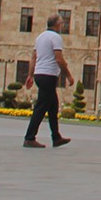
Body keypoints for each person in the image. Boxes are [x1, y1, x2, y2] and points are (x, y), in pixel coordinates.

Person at [22, 15, 73, 148]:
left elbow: (33, 57)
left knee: (53, 107)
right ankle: (29, 137)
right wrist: (68, 75)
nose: (63, 25)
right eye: (62, 23)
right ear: (57, 24)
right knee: (41, 107)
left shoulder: (40, 37)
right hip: (48, 75)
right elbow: (59, 59)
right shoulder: (55, 37)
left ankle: (56, 137)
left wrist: (30, 75)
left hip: (40, 74)